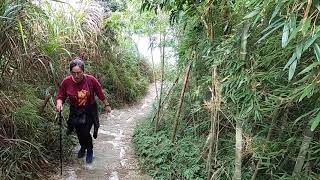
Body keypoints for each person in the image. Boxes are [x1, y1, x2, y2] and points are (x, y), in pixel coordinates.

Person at [55, 57, 111, 163]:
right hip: (75, 110)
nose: (76, 76)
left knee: (85, 132)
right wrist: (59, 103)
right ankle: (83, 146)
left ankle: (89, 150)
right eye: (73, 73)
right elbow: (61, 96)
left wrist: (106, 105)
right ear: (70, 71)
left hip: (89, 109)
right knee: (79, 132)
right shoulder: (66, 82)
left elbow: (100, 93)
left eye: (79, 73)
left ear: (83, 71)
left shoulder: (91, 80)